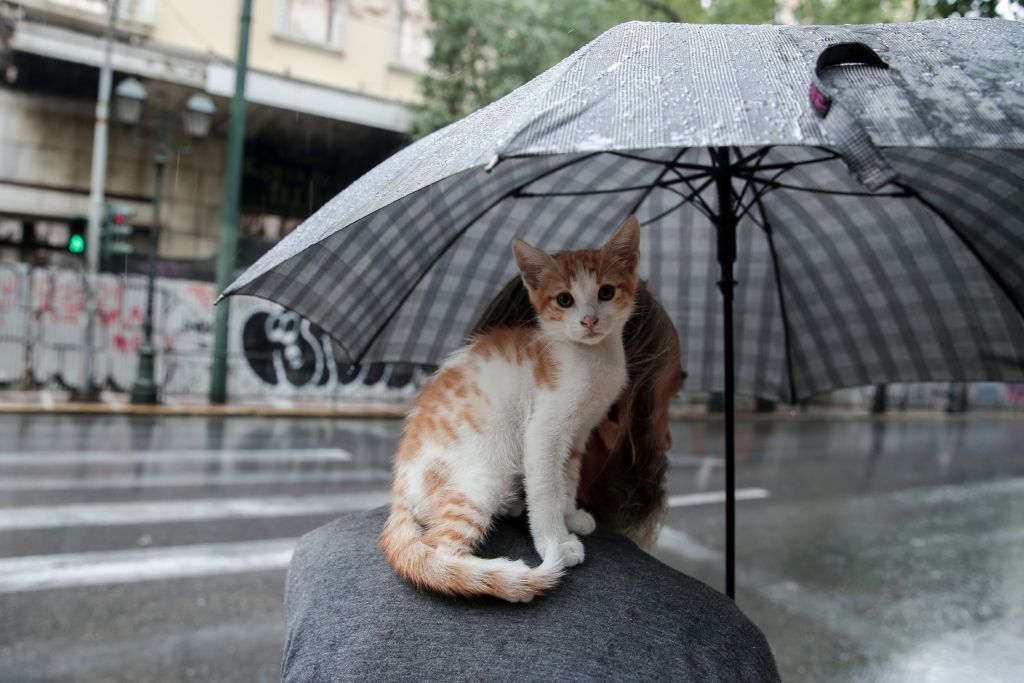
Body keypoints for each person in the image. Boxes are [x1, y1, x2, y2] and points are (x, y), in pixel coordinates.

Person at [282, 279, 780, 682]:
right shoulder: (712, 644)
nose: (667, 441)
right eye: (668, 402)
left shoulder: (317, 560)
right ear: (615, 414)